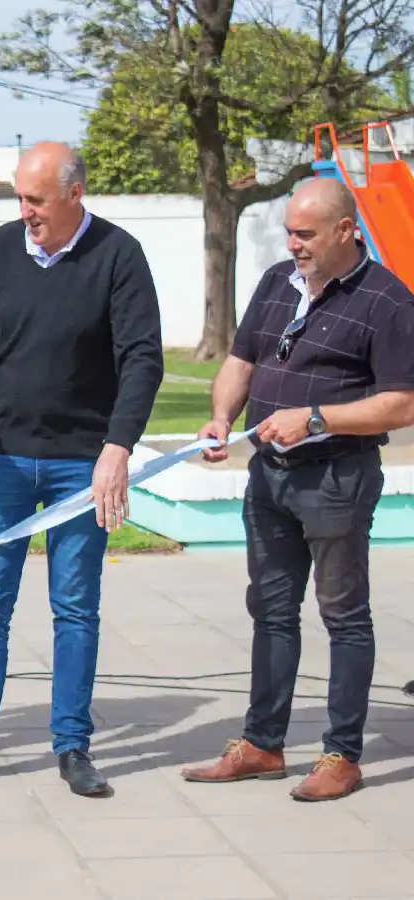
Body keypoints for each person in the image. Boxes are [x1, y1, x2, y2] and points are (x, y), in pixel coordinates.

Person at [0, 142, 164, 795]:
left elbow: (142, 359)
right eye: (19, 197)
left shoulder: (119, 256)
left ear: (75, 193)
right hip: (2, 459)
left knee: (75, 607)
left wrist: (117, 448)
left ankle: (73, 746)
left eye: (36, 199)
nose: (25, 211)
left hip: (82, 465)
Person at [180, 178, 414, 802]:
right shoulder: (276, 283)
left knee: (344, 616)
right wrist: (221, 418)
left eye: (305, 234)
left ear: (346, 231)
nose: (293, 244)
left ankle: (342, 756)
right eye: (288, 232)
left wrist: (315, 419)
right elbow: (241, 361)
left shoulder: (388, 301)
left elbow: (402, 403)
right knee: (271, 610)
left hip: (337, 478)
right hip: (269, 477)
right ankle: (262, 745)